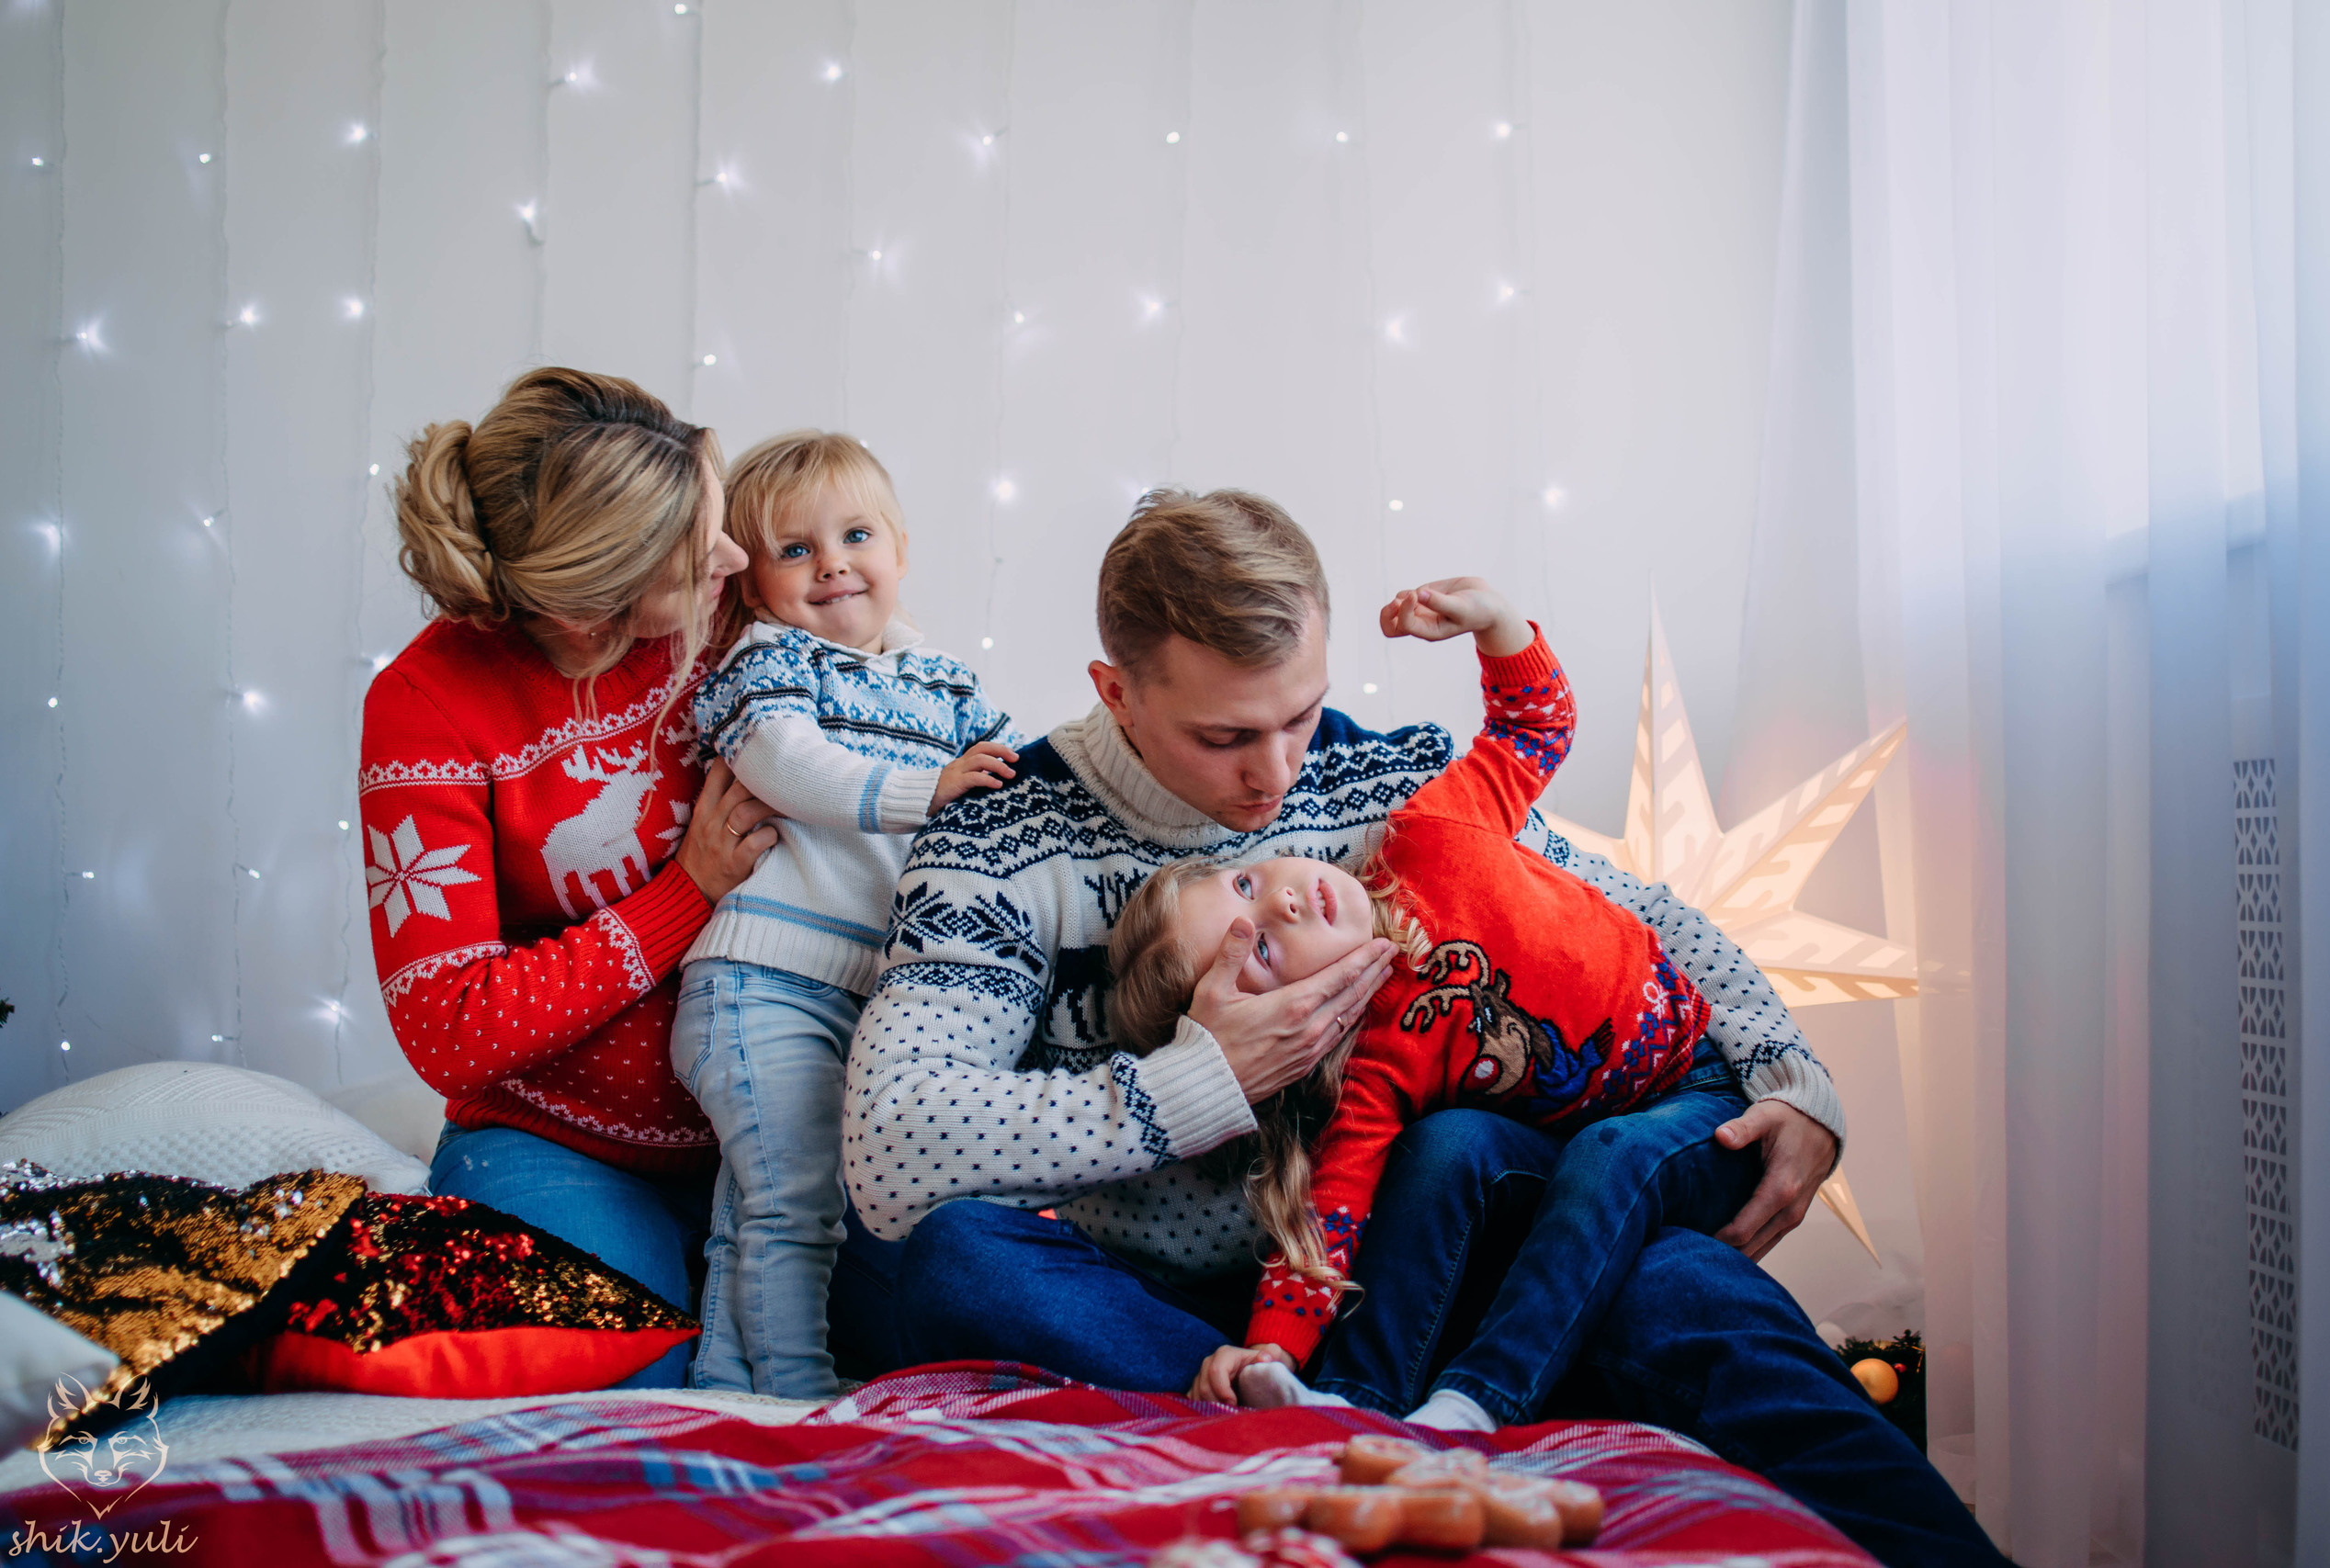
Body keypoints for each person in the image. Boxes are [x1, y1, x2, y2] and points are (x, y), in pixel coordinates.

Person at [844, 488, 2003, 1565]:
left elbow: (1629, 914)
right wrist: (1199, 1083)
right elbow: (892, 1149)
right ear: (1116, 692)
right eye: (1223, 738)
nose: (1276, 774)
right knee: (939, 1257)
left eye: (1298, 714)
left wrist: (1788, 1073)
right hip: (1162, 1303)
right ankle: (1312, 1415)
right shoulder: (998, 833)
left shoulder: (1384, 780)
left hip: (1423, 1257)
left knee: (1677, 1281)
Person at [1106, 576, 1757, 1434]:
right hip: (1558, 1141)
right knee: (1452, 1156)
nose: (1286, 903)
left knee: (1609, 1154)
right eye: (1260, 947)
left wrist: (1499, 625)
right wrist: (1270, 1351)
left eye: (1249, 881)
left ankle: (1478, 1401)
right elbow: (1327, 1219)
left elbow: (1535, 729)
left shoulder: (1431, 830)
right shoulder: (1375, 1068)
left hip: (1698, 1090)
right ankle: (1353, 1413)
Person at [362, 367, 776, 1388]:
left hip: (779, 1128)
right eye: (697, 553)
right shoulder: (427, 704)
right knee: (627, 1379)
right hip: (557, 1148)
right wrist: (689, 889)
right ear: (596, 609)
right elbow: (451, 1028)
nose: (736, 556)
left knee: (970, 1295)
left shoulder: (729, 620)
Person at [669, 432, 1019, 1397]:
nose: (831, 564)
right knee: (797, 1205)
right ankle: (797, 1391)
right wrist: (930, 790)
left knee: (759, 1207)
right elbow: (791, 767)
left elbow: (1021, 783)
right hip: (763, 985)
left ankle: (727, 1384)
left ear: (899, 550)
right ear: (751, 585)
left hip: (868, 999)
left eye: (855, 535)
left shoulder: (947, 685)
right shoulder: (764, 663)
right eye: (794, 549)